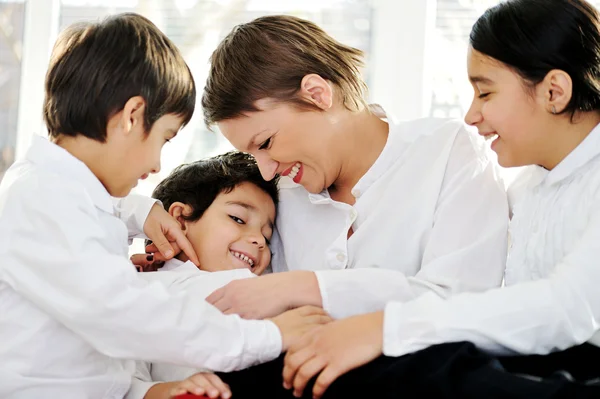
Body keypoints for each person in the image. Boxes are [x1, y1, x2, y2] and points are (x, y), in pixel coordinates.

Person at [266, 0, 600, 397]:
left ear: (554, 91)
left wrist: (384, 328)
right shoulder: (527, 190)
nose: (471, 115)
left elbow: (568, 308)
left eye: (485, 93)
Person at [0, 14, 328, 398]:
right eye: (164, 138)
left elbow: (100, 364)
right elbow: (126, 317)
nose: (156, 165)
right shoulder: (43, 200)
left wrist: (142, 211)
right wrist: (267, 336)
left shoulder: (54, 190)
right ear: (132, 116)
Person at [145, 14, 510, 327]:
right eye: (253, 154)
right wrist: (167, 264)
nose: (268, 171)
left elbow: (463, 304)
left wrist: (306, 287)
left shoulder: (450, 154)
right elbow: (235, 283)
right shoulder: (276, 197)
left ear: (317, 94)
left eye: (267, 143)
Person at [128, 151, 283, 399]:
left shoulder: (268, 282)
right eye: (238, 218)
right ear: (178, 219)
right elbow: (119, 381)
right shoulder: (142, 289)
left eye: (266, 235)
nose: (258, 240)